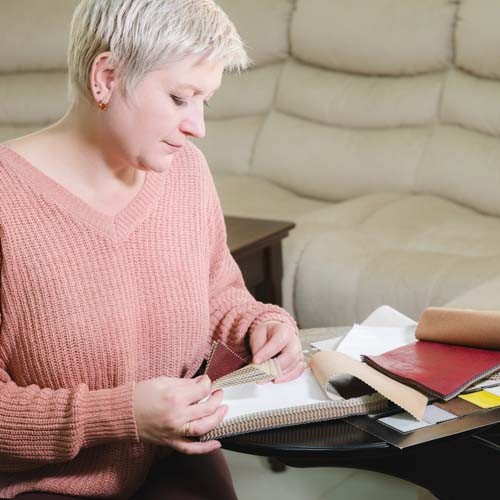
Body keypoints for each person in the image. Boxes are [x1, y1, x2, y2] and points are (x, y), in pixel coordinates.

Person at [0, 0, 304, 498]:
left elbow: (218, 292)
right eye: (181, 97)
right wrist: (121, 416)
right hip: (42, 486)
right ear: (107, 77)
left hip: (171, 462)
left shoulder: (186, 172)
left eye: (205, 101)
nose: (198, 126)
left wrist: (261, 324)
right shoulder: (6, 204)